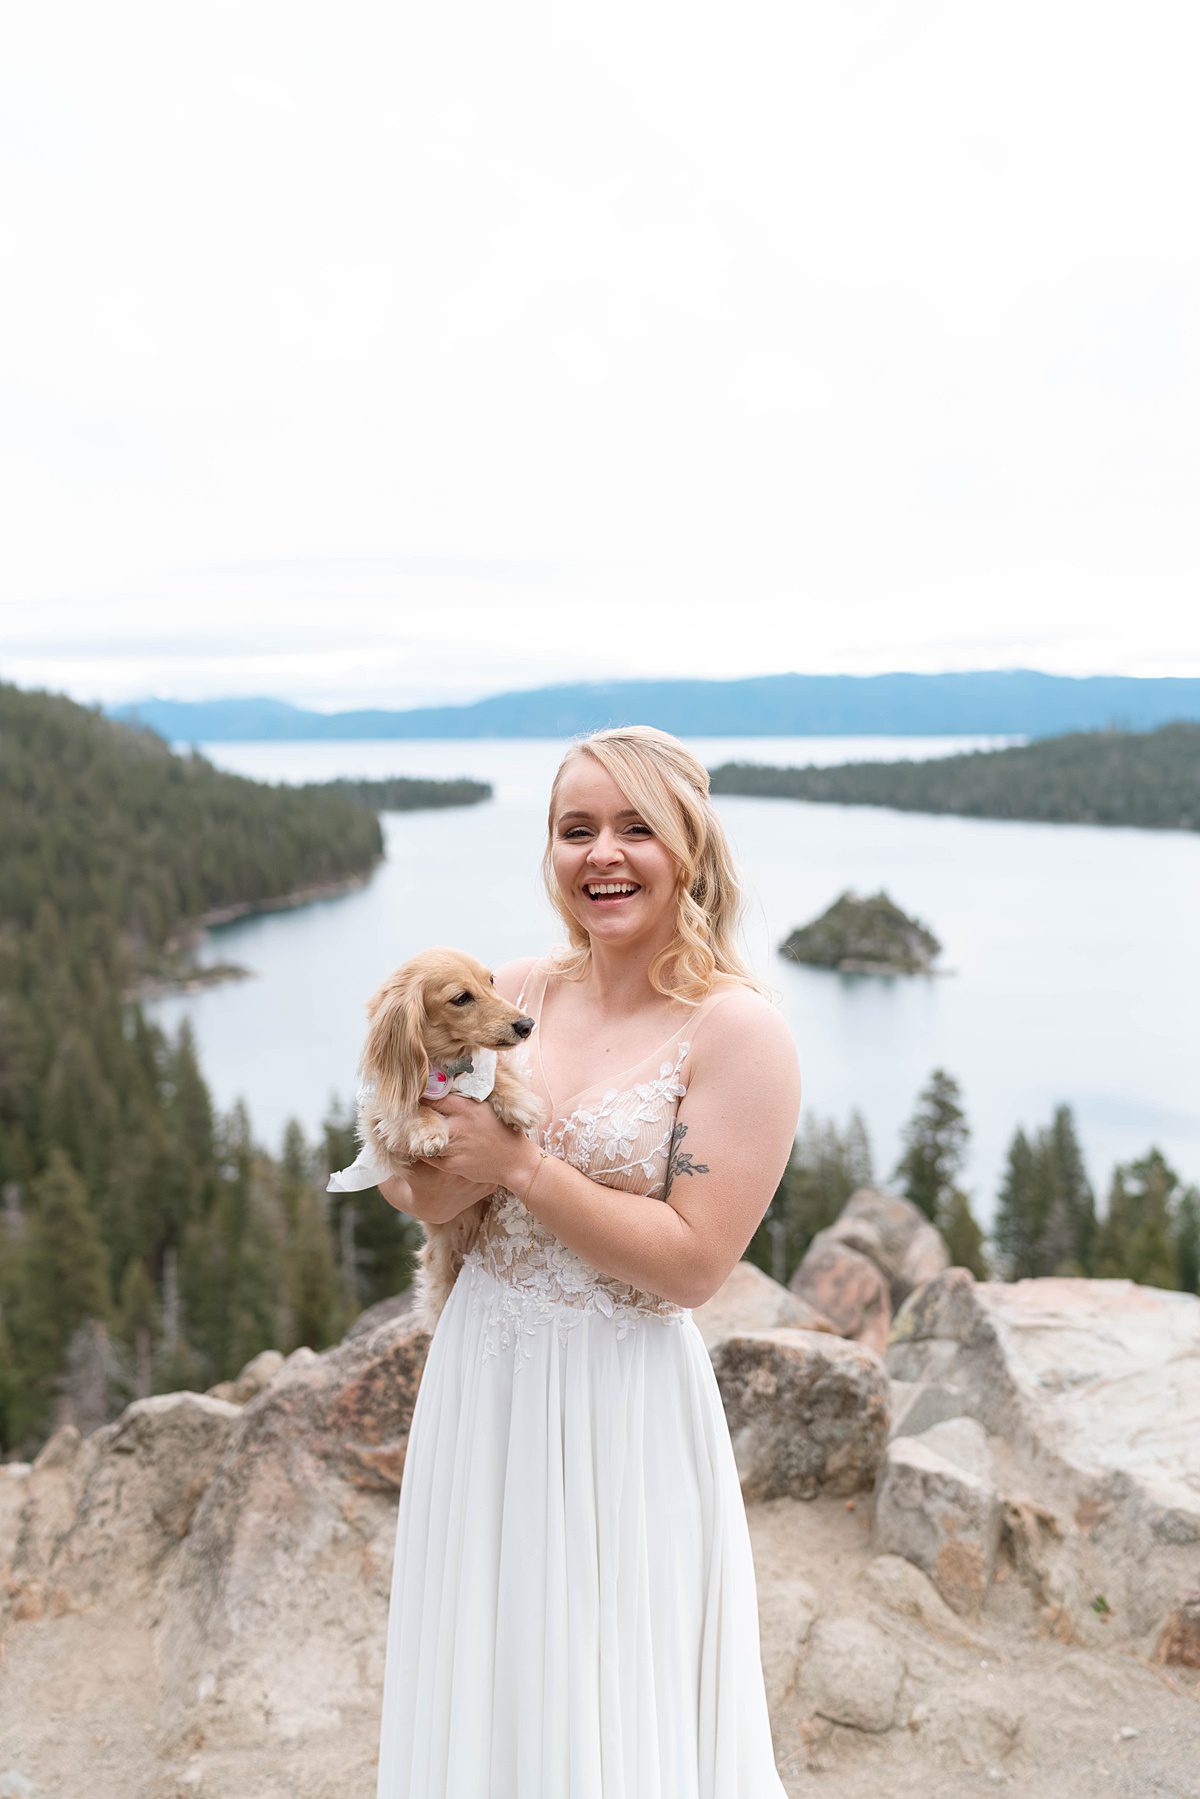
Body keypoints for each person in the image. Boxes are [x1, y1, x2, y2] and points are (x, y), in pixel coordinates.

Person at [373, 723, 802, 1797]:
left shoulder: (739, 1030)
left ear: (688, 847)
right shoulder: (515, 988)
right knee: (487, 1675)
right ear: (552, 853)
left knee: (610, 1691)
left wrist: (520, 1166)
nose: (602, 853)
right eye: (576, 829)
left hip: (622, 1405)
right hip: (484, 1379)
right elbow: (406, 1173)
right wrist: (428, 1156)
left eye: (635, 828)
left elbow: (696, 1263)